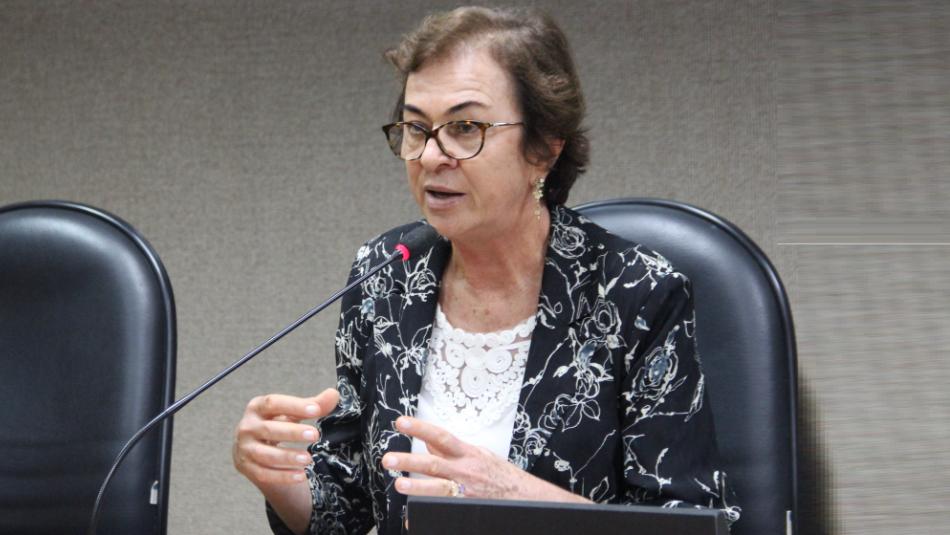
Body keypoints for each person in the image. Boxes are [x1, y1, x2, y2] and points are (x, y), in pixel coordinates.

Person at [233, 6, 739, 534]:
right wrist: (282, 479)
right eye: (416, 128)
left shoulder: (637, 292)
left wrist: (520, 498)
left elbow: (690, 524)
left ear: (544, 148)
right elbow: (348, 508)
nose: (431, 156)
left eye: (465, 127)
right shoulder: (385, 276)